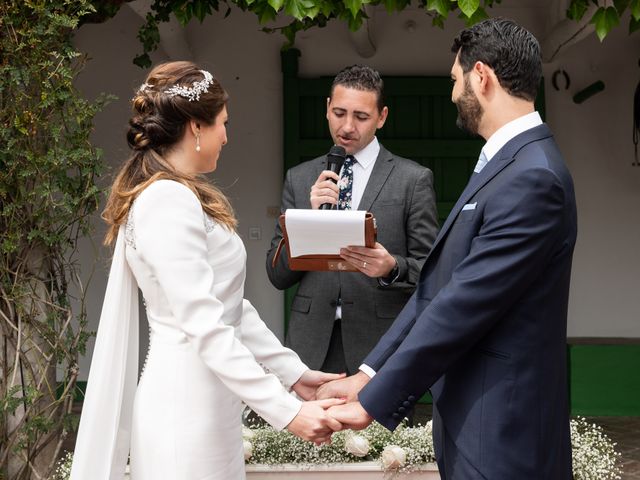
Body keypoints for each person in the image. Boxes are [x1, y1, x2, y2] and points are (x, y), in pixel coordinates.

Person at [321, 18, 578, 479]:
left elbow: (463, 305)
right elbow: (438, 290)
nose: (452, 93)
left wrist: (371, 404)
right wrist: (367, 375)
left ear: (482, 76)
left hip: (506, 427)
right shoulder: (504, 165)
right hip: (476, 419)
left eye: (455, 80)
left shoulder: (533, 175)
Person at [70, 61, 345, 480]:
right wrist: (287, 412)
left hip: (211, 405)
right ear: (196, 128)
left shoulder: (181, 196)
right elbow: (206, 325)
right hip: (184, 410)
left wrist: (295, 374)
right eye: (222, 123)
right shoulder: (166, 201)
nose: (227, 136)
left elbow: (230, 309)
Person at [266, 65, 439, 376]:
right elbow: (277, 275)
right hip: (310, 344)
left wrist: (392, 267)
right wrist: (308, 217)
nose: (347, 126)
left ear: (382, 117)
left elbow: (431, 269)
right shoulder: (300, 177)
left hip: (379, 345)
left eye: (361, 117)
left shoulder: (412, 179)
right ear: (327, 109)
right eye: (339, 113)